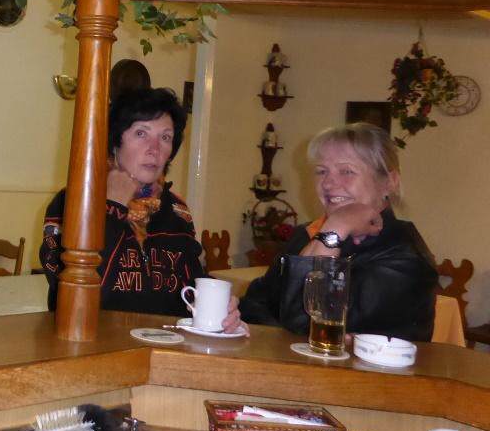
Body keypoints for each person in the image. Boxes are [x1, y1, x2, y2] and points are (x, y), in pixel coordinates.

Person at [40, 87, 243, 330]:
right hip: (93, 345)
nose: (154, 149)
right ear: (115, 142)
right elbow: (77, 301)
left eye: (165, 137)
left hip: (165, 346)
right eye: (141, 133)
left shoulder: (176, 210)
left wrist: (223, 309)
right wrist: (113, 205)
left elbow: (191, 287)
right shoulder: (73, 202)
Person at [240, 123, 438, 340]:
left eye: (346, 171)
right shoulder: (307, 235)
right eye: (321, 171)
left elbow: (305, 323)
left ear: (389, 182)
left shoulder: (404, 256)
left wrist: (335, 228)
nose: (328, 183)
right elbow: (253, 304)